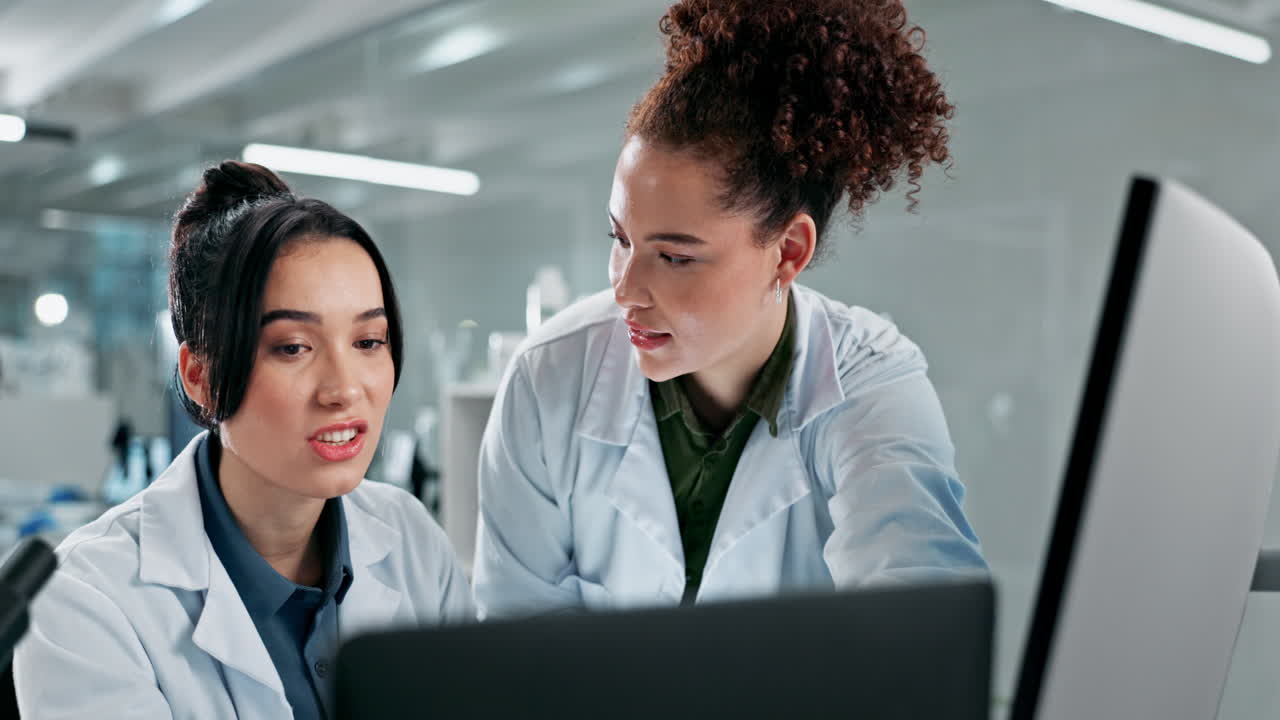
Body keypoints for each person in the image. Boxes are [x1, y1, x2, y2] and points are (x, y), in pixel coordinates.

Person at [474, 0, 987, 618]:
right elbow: (517, 652)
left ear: (787, 251)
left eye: (676, 257)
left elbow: (917, 633)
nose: (625, 291)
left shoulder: (870, 383)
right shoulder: (549, 376)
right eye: (621, 240)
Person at [14, 161, 472, 718]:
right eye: (293, 347)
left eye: (369, 341)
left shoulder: (412, 542)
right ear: (200, 376)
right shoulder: (87, 599)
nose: (344, 389)